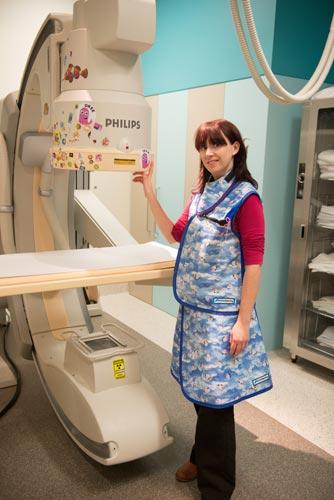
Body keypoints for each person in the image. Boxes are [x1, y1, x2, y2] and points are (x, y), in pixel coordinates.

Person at [133, 118, 273, 500]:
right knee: (199, 393)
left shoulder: (246, 198)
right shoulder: (202, 193)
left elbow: (255, 263)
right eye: (202, 147)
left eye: (217, 145)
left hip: (223, 319)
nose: (209, 153)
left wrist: (243, 322)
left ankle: (217, 486)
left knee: (216, 403)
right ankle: (200, 455)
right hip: (195, 314)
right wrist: (148, 192)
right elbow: (175, 234)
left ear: (235, 148)